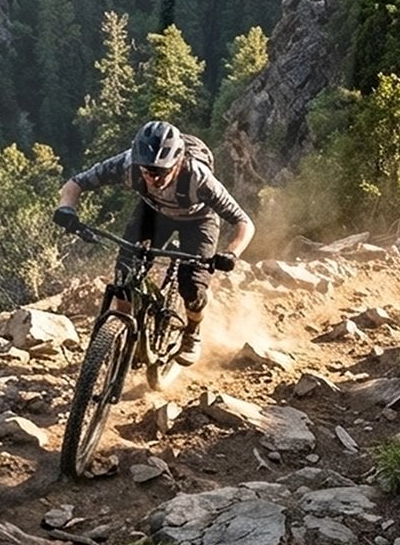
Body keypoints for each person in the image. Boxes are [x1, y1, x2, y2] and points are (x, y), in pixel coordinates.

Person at [54, 118, 253, 364]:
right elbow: (76, 183)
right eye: (148, 171)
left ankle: (192, 333)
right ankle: (121, 336)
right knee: (125, 277)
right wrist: (67, 210)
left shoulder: (198, 177)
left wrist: (231, 253)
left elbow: (244, 222)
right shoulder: (128, 165)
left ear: (178, 162)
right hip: (153, 212)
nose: (153, 179)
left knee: (192, 287)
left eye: (162, 172)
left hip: (198, 220)